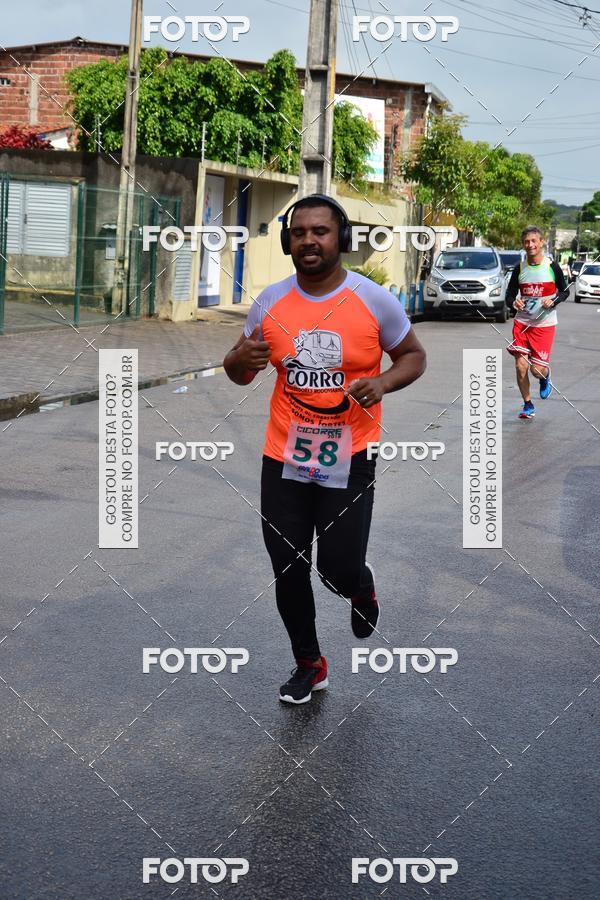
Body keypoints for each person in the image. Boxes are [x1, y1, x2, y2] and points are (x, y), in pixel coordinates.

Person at [223, 194, 426, 704]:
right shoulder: (270, 302)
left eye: (321, 231)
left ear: (342, 239)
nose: (308, 240)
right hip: (284, 455)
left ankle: (359, 583)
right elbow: (241, 370)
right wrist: (236, 358)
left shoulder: (373, 299)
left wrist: (382, 384)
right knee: (287, 564)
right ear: (289, 240)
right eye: (299, 232)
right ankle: (309, 664)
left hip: (352, 453)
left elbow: (413, 356)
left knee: (334, 568)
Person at [505, 225, 569, 419]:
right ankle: (527, 404)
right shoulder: (520, 268)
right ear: (523, 245)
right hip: (523, 324)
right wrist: (513, 302)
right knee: (520, 365)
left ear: (541, 242)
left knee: (536, 370)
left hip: (544, 325)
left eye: (534, 241)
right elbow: (509, 294)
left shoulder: (552, 266)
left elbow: (565, 291)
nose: (530, 245)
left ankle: (545, 376)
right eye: (526, 242)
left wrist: (554, 300)